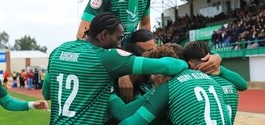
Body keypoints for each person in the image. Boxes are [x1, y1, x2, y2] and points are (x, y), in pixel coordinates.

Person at [42, 12, 188, 125]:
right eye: (118, 39)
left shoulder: (58, 51)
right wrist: (187, 67)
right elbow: (169, 66)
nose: (120, 45)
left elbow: (46, 93)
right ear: (104, 34)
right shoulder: (108, 58)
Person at [77, 0, 152, 106]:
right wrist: (120, 70)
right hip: (105, 67)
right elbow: (81, 35)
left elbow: (145, 26)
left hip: (127, 62)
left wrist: (146, 60)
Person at [119, 45, 231, 125]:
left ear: (160, 74)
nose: (152, 85)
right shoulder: (210, 80)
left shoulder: (167, 87)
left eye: (151, 80)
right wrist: (217, 56)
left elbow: (130, 121)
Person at [183, 40, 248, 124]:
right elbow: (243, 85)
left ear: (190, 64)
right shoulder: (227, 80)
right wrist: (217, 57)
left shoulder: (190, 85)